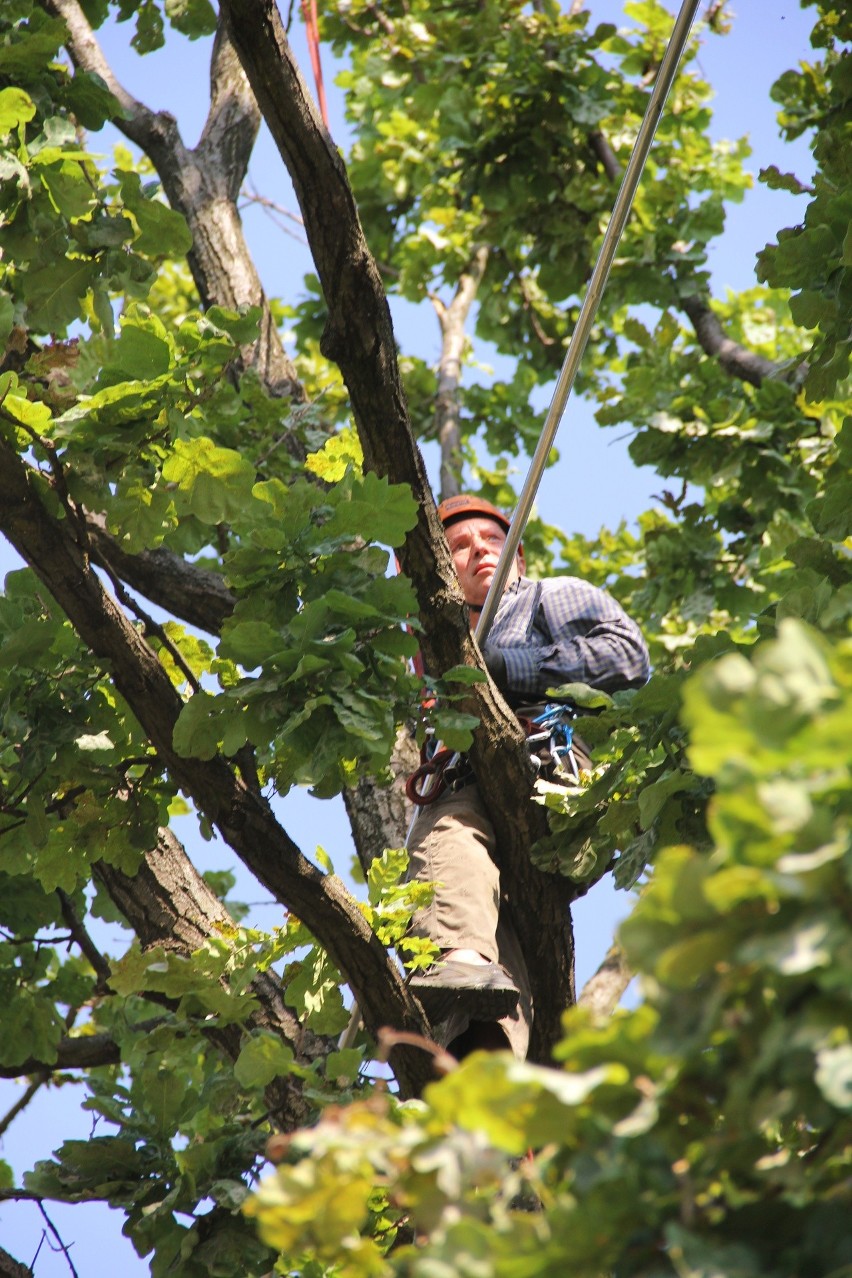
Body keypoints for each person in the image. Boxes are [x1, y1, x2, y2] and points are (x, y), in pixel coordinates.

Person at [406, 494, 650, 1059]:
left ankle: (461, 959)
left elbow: (626, 657)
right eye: (460, 548)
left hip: (549, 767)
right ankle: (485, 1050)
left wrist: (504, 667)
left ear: (516, 558)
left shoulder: (546, 595)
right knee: (486, 931)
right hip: (499, 817)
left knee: (444, 832)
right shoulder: (425, 659)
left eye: (491, 542)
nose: (480, 553)